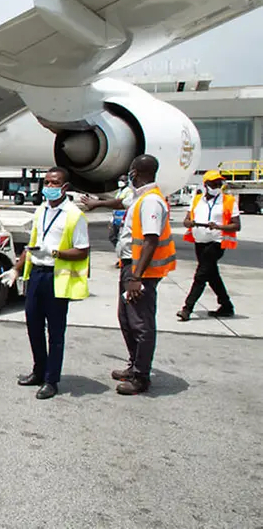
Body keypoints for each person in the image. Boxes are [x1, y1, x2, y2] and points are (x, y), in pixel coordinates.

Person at [0, 167, 90, 399]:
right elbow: (31, 244)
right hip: (36, 275)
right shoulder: (41, 210)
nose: (48, 187)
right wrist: (16, 269)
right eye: (46, 182)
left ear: (65, 187)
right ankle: (38, 371)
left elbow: (82, 251)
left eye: (54, 183)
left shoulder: (74, 215)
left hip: (56, 277)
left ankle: (51, 380)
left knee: (56, 332)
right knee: (34, 327)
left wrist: (55, 253)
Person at [112, 154, 176, 395]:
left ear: (135, 172)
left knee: (140, 323)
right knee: (127, 319)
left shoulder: (151, 202)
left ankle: (141, 377)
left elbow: (151, 239)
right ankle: (134, 365)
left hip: (141, 270)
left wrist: (136, 277)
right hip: (132, 266)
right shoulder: (142, 198)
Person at [177, 170, 239, 321]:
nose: (217, 185)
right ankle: (226, 306)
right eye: (214, 183)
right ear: (206, 185)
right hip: (200, 241)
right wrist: (189, 223)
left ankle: (187, 308)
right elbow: (186, 220)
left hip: (217, 241)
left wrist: (218, 227)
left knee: (201, 274)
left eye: (219, 183)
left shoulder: (228, 200)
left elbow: (236, 225)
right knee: (212, 275)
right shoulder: (197, 199)